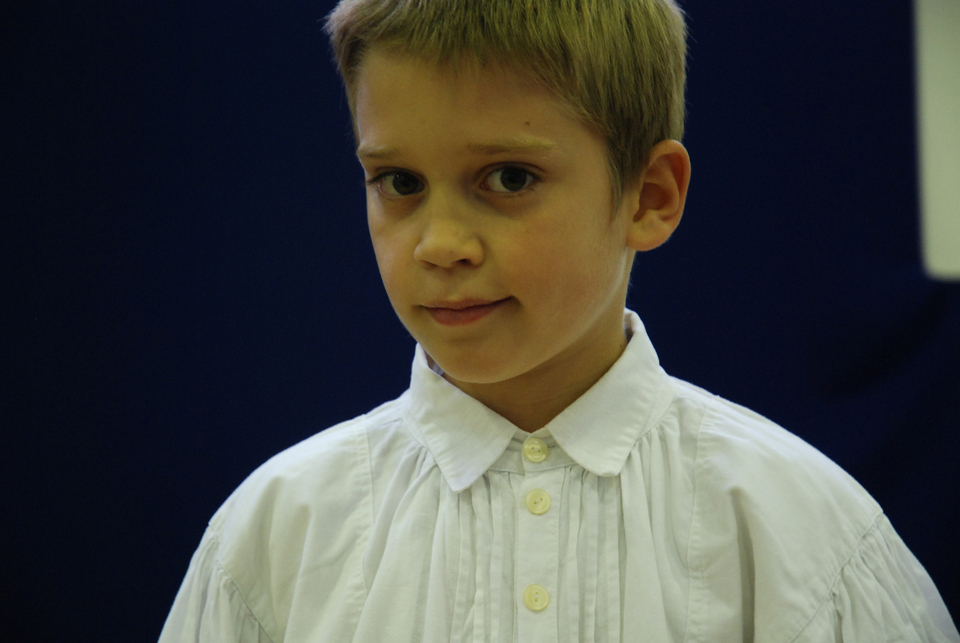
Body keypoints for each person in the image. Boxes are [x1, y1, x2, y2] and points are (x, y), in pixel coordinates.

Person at [159, 0, 959, 640]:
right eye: (399, 183)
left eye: (508, 178)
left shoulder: (806, 536)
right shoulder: (273, 538)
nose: (440, 244)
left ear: (650, 196)